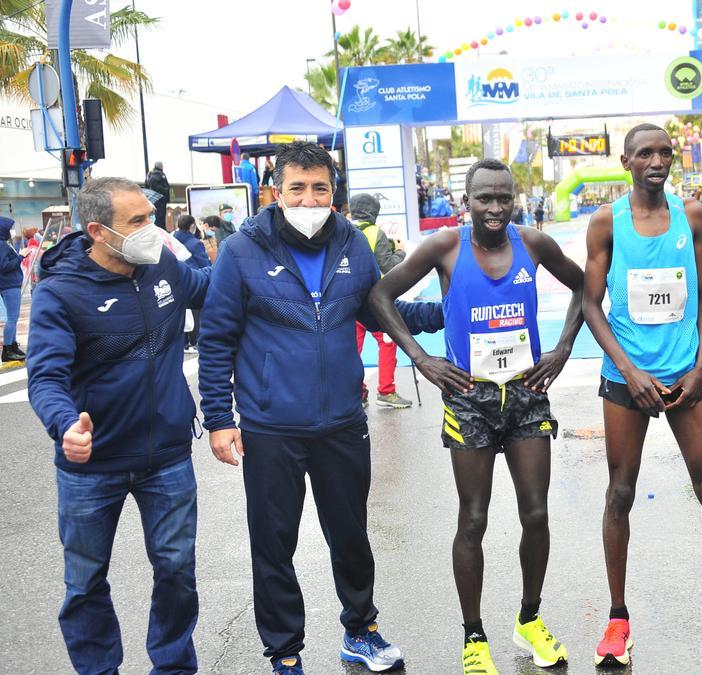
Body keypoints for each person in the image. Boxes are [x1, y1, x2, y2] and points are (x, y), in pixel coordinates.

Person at [199, 141, 441, 675]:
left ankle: (361, 631)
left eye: (320, 189)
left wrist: (450, 313)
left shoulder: (352, 242)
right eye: (297, 189)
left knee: (351, 536)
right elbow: (216, 341)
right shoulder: (242, 252)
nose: (309, 200)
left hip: (342, 423)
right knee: (274, 545)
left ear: (334, 192)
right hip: (270, 427)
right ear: (275, 192)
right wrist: (219, 419)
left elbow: (382, 311)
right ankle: (285, 653)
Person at [367, 158, 585, 675]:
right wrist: (422, 359)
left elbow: (584, 285)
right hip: (470, 398)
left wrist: (561, 350)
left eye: (503, 197)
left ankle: (529, 620)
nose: (494, 207)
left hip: (527, 394)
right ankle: (474, 635)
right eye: (484, 198)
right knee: (474, 518)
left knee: (536, 514)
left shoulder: (534, 245)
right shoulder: (445, 247)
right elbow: (380, 295)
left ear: (515, 198)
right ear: (465, 201)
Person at [582, 124, 702, 665]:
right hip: (626, 380)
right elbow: (592, 304)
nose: (657, 160)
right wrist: (628, 370)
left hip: (688, 373)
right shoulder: (606, 222)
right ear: (625, 161)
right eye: (645, 153)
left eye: (664, 151)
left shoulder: (693, 216)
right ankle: (617, 620)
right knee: (620, 493)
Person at [26, 176, 211, 673]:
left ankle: (173, 666)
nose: (152, 229)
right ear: (98, 231)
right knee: (85, 583)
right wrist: (66, 425)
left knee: (177, 572)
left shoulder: (164, 265)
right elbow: (45, 377)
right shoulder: (61, 293)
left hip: (168, 457)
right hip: (93, 464)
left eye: (151, 217)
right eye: (137, 221)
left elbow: (215, 292)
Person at [348, 193, 412, 409]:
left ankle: (357, 392)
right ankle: (386, 390)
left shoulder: (344, 231)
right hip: (375, 302)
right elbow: (387, 266)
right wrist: (400, 251)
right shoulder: (376, 233)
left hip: (349, 301)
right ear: (373, 212)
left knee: (351, 349)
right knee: (387, 342)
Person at [173, 215, 211, 352]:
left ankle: (185, 341)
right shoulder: (195, 243)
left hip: (177, 281)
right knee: (196, 314)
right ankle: (195, 341)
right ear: (192, 226)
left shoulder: (172, 239)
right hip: (195, 279)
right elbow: (204, 263)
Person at [1, 216, 26, 361]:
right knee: (12, 318)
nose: (11, 232)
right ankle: (7, 350)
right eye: (9, 229)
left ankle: (13, 346)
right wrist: (21, 257)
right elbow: (4, 267)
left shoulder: (3, 244)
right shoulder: (2, 245)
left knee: (13, 318)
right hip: (9, 285)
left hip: (8, 284)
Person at [145, 161, 171, 229]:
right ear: (161, 166)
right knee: (161, 216)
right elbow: (165, 187)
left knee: (155, 215)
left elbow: (147, 185)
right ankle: (161, 228)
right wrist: (165, 193)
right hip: (161, 199)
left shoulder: (149, 175)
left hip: (152, 199)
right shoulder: (161, 175)